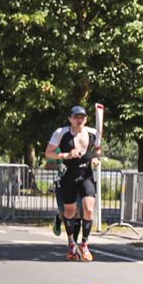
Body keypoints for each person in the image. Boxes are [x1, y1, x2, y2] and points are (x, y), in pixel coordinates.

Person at [45, 106, 102, 261]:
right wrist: (66, 155)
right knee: (70, 211)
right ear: (70, 119)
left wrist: (96, 158)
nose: (79, 120)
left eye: (82, 117)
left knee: (89, 209)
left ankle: (84, 244)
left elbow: (98, 149)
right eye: (76, 117)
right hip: (69, 176)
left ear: (86, 119)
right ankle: (71, 244)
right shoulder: (61, 133)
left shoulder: (93, 133)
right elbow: (48, 153)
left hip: (86, 175)